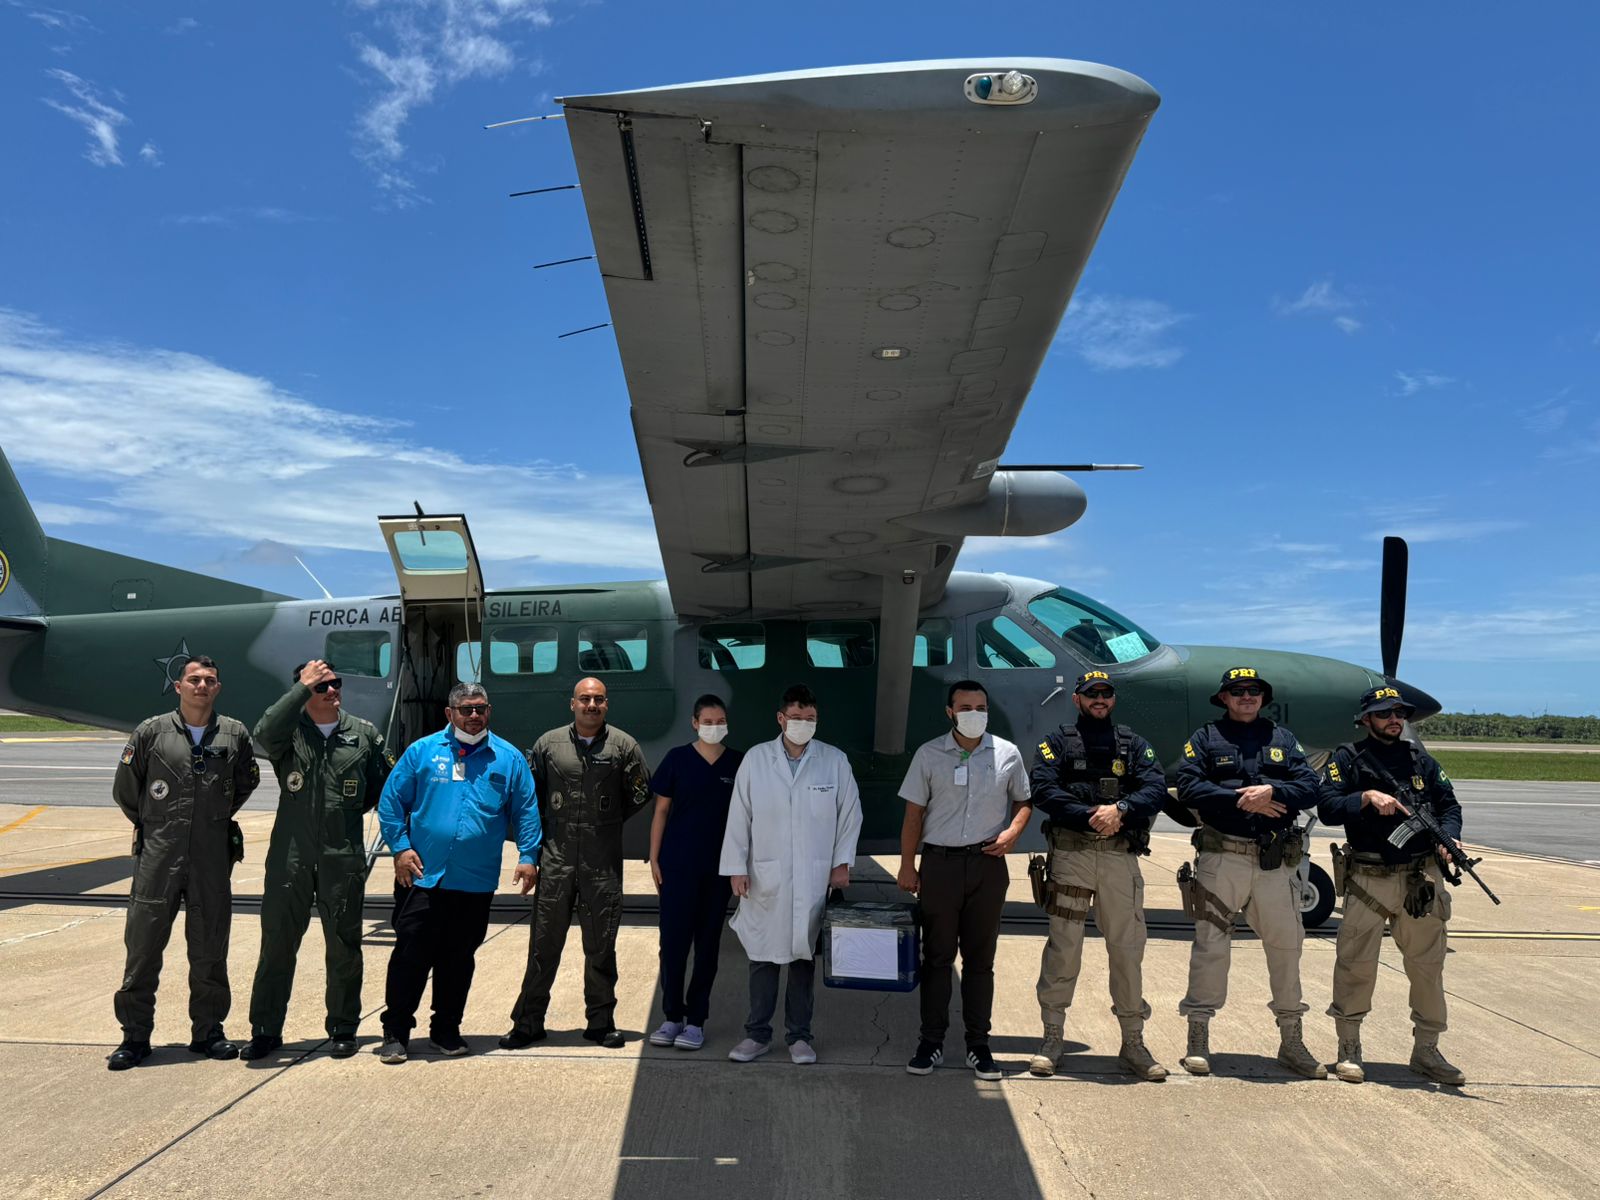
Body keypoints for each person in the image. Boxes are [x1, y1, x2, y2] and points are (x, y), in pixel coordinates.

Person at [108, 655, 260, 1070]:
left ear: (218, 688)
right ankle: (135, 1036)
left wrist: (211, 816)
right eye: (193, 679)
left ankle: (208, 1031)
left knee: (210, 946)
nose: (201, 686)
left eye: (210, 680)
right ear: (179, 687)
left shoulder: (234, 734)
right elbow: (126, 790)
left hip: (210, 855)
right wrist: (157, 825)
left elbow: (245, 781)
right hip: (159, 853)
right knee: (143, 947)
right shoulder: (151, 733)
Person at [375, 683, 539, 1063]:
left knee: (458, 959)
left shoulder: (509, 759)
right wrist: (400, 848)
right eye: (465, 709)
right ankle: (396, 1032)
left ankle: (446, 1029)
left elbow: (526, 810)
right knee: (410, 956)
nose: (473, 715)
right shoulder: (422, 752)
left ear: (489, 711)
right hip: (422, 876)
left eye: (480, 708)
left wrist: (528, 855)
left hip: (474, 881)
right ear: (449, 714)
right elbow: (391, 803)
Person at [1175, 666, 1325, 1079]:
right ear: (1223, 697)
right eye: (1237, 691)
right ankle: (1198, 1037)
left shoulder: (1282, 739)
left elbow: (1311, 787)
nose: (1246, 696)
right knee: (1211, 946)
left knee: (1287, 948)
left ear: (1263, 697)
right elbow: (1187, 787)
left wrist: (1273, 792)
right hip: (1223, 858)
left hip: (1275, 862)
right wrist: (1243, 799)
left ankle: (1292, 1039)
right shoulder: (1206, 739)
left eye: (1254, 691)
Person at [239, 660, 393, 1061]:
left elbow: (379, 787)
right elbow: (263, 732)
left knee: (344, 945)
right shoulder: (288, 735)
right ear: (305, 691)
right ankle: (266, 1029)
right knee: (277, 944)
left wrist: (340, 816)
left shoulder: (362, 735)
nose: (331, 691)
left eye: (335, 684)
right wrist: (300, 689)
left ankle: (343, 1027)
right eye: (320, 686)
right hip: (290, 857)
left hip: (341, 857)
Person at [1318, 685, 1467, 1085]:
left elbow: (1449, 805)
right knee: (1355, 963)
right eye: (1384, 713)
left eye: (1399, 713)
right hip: (1369, 876)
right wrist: (1364, 797)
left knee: (1427, 966)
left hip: (1420, 878)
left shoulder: (1421, 759)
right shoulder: (1347, 758)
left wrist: (1448, 839)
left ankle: (1427, 1049)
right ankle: (1348, 1047)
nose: (1394, 719)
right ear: (1366, 719)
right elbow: (1328, 807)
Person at [1026, 670, 1170, 1081]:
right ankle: (1052, 1037)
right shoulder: (1057, 743)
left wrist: (1120, 811)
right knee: (1064, 947)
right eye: (1092, 694)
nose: (1100, 700)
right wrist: (1091, 815)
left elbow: (1155, 788)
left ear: (1113, 699)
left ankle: (1133, 1041)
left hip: (1119, 860)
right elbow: (1044, 789)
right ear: (1078, 700)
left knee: (1127, 949)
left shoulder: (1133, 744)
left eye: (1106, 694)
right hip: (1072, 857)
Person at [502, 677, 651, 1050]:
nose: (591, 705)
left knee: (601, 946)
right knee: (543, 945)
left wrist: (605, 822)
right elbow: (528, 800)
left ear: (606, 704)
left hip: (601, 865)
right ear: (573, 704)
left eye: (598, 699)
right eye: (585, 699)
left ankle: (601, 1022)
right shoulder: (548, 745)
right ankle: (528, 1022)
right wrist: (532, 853)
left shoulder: (623, 746)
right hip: (556, 860)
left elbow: (638, 794)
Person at [721, 683, 862, 1066]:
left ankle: (799, 1037)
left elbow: (850, 815)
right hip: (765, 876)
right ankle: (757, 1035)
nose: (803, 724)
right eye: (796, 718)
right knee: (762, 958)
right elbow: (739, 815)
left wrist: (841, 862)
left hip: (814, 878)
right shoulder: (756, 759)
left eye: (810, 719)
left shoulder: (833, 761)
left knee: (803, 959)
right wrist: (736, 867)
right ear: (781, 719)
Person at [896, 680, 1031, 1080]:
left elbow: (1024, 800)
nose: (975, 713)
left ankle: (979, 1045)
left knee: (980, 961)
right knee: (937, 958)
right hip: (941, 865)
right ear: (950, 712)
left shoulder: (1006, 753)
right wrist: (907, 865)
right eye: (966, 707)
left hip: (988, 866)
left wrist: (1013, 833)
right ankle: (931, 1042)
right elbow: (913, 816)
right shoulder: (929, 754)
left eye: (981, 707)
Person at [646, 694, 743, 1052]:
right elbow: (661, 812)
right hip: (677, 867)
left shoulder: (738, 763)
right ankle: (672, 1016)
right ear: (694, 723)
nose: (714, 727)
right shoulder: (677, 760)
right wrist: (654, 858)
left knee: (707, 947)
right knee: (672, 945)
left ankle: (696, 1021)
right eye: (708, 721)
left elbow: (747, 817)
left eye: (720, 721)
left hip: (719, 871)